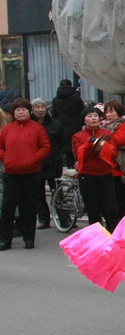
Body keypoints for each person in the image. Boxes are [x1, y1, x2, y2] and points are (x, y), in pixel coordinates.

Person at [0, 99, 50, 250]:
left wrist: (34, 159)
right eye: (18, 110)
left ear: (29, 112)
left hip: (31, 173)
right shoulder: (7, 129)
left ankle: (29, 238)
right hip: (11, 173)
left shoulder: (37, 128)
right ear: (13, 113)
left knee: (29, 206)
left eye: (24, 110)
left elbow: (45, 146)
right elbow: (1, 147)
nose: (21, 112)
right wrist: (5, 159)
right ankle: (5, 240)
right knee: (8, 207)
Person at [72, 105, 119, 230]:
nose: (93, 118)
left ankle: (113, 236)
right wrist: (89, 145)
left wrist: (101, 146)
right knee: (93, 210)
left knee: (111, 208)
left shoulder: (107, 134)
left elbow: (114, 153)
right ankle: (96, 237)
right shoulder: (78, 136)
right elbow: (78, 155)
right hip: (87, 175)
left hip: (105, 174)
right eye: (90, 116)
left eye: (96, 116)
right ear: (84, 119)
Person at [30, 99, 63, 230]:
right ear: (32, 110)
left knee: (57, 191)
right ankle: (44, 218)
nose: (40, 109)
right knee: (38, 193)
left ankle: (63, 218)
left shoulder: (56, 124)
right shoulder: (29, 125)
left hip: (53, 162)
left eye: (42, 106)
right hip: (36, 163)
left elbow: (61, 142)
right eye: (37, 107)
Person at [52, 79, 84, 168]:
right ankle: (74, 169)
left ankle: (66, 168)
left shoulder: (55, 100)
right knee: (74, 150)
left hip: (61, 128)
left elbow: (54, 115)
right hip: (75, 127)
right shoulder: (76, 97)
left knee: (64, 150)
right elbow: (82, 111)